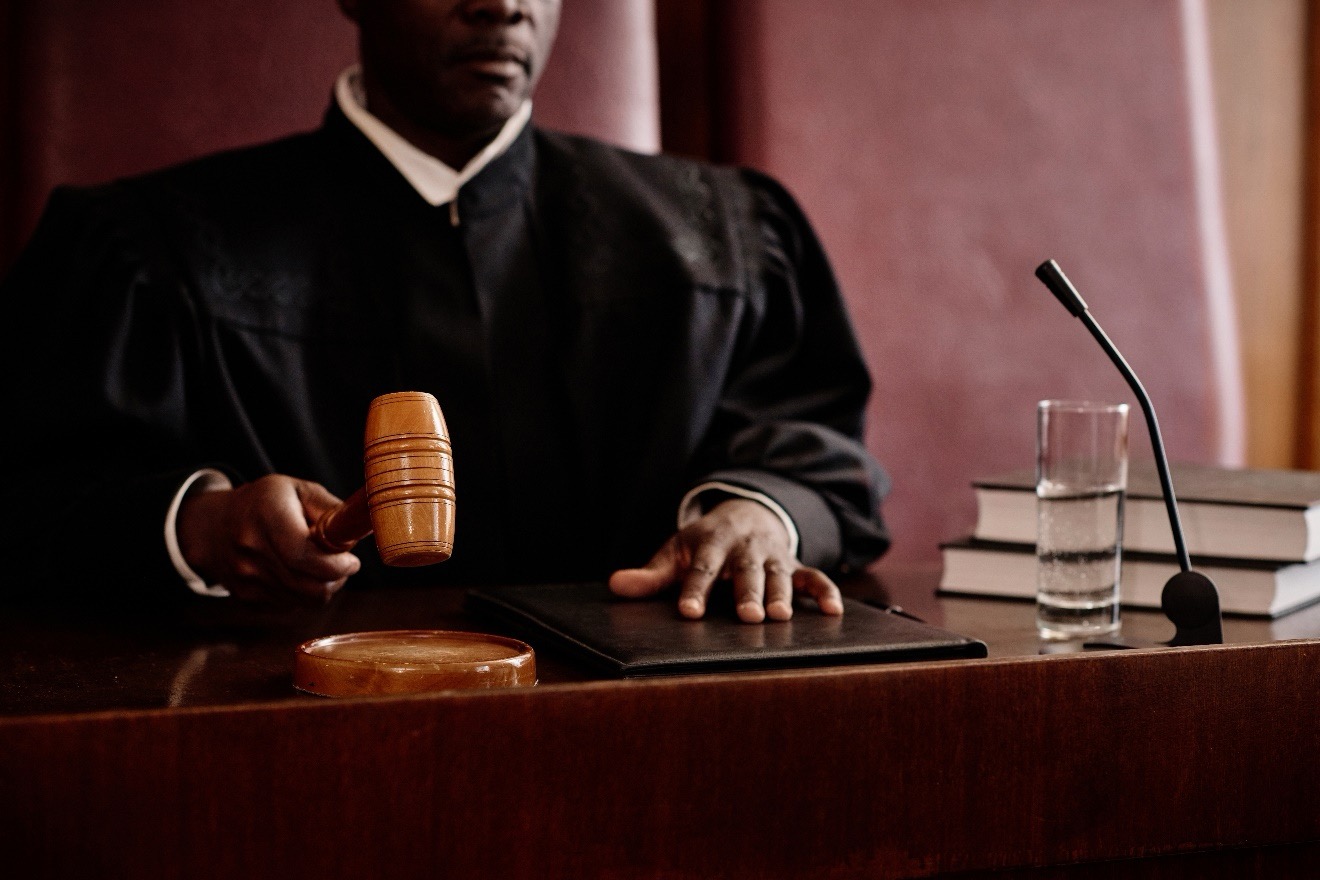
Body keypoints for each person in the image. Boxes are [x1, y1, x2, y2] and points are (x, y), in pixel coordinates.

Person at [0, 0, 889, 622]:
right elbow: (31, 502)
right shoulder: (148, 248)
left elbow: (818, 444)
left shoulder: (722, 234)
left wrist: (759, 512)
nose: (500, 3)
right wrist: (196, 528)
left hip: (656, 749)